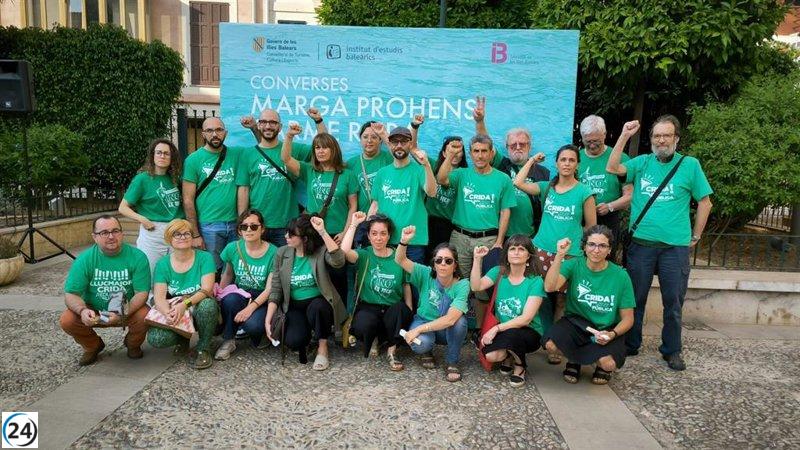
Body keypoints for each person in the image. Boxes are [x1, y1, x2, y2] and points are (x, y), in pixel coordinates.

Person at [606, 117, 713, 371]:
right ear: (651, 139)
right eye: (656, 136)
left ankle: (672, 350)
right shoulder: (642, 163)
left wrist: (695, 236)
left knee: (673, 302)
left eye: (666, 136)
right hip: (642, 244)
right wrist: (624, 135)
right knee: (635, 299)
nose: (661, 140)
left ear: (676, 138)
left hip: (674, 248)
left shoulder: (689, 165)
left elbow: (705, 202)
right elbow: (613, 168)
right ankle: (631, 343)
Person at [514, 144, 597, 363]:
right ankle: (545, 336)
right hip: (541, 250)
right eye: (563, 160)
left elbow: (591, 227)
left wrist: (584, 252)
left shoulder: (584, 192)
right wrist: (531, 161)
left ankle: (556, 344)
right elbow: (518, 182)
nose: (567, 164)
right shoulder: (547, 187)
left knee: (561, 300)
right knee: (541, 296)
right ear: (557, 163)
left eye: (571, 160)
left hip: (570, 255)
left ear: (577, 164)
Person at [436, 134, 517, 324]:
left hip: (488, 239)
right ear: (470, 154)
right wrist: (450, 156)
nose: (480, 156)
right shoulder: (462, 174)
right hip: (459, 237)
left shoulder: (502, 179)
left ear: (491, 153)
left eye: (483, 151)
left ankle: (480, 331)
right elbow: (441, 179)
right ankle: (457, 326)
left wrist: (499, 241)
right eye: (475, 151)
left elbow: (505, 212)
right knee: (457, 284)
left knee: (482, 289)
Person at [543, 226, 635, 384]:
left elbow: (628, 319)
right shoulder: (574, 264)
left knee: (608, 364)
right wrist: (559, 255)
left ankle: (587, 359)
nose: (596, 250)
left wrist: (612, 334)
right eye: (591, 244)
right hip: (576, 323)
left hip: (605, 328)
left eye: (602, 246)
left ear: (609, 250)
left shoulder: (621, 275)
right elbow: (549, 287)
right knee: (551, 345)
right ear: (584, 247)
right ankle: (575, 360)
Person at [281, 123, 358, 304]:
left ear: (334, 150)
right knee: (317, 276)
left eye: (325, 147)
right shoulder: (309, 170)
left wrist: (346, 233)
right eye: (317, 148)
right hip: (313, 235)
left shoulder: (347, 174)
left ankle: (339, 321)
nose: (320, 151)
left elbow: (353, 207)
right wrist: (290, 136)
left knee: (339, 278)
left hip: (337, 236)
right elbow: (285, 158)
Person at [61, 215, 151, 365]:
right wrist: (82, 311)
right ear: (94, 237)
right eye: (104, 233)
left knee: (145, 315)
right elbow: (71, 294)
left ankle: (132, 344)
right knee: (67, 320)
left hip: (125, 309)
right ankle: (93, 346)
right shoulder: (84, 259)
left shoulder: (138, 257)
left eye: (115, 231)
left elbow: (142, 293)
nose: (111, 236)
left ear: (122, 233)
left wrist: (122, 312)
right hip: (94, 311)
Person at [265, 214, 346, 370]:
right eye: (287, 232)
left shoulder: (320, 251)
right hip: (294, 306)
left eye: (292, 234)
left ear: (305, 238)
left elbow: (338, 261)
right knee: (294, 341)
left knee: (318, 307)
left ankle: (323, 347)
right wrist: (268, 318)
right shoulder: (282, 253)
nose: (286, 236)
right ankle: (308, 338)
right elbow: (276, 287)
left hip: (318, 304)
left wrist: (322, 231)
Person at [236, 108, 324, 246]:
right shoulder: (247, 154)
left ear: (280, 126)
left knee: (286, 265)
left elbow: (324, 145)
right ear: (258, 125)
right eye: (263, 122)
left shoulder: (293, 149)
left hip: (287, 226)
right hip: (257, 226)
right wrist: (242, 223)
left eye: (273, 122)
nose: (268, 126)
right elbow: (244, 190)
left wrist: (318, 121)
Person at [396, 225, 470, 382]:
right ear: (434, 263)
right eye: (439, 260)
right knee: (421, 344)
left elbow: (450, 319)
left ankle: (452, 361)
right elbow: (400, 259)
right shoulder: (424, 273)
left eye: (448, 261)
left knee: (460, 322)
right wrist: (404, 241)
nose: (443, 264)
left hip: (446, 328)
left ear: (455, 265)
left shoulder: (462, 285)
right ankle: (427, 351)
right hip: (423, 319)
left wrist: (418, 330)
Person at [470, 235, 546, 387]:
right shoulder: (499, 272)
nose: (516, 252)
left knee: (513, 335)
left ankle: (520, 365)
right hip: (504, 329)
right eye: (512, 249)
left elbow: (525, 319)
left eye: (521, 249)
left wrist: (496, 329)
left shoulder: (535, 281)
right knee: (492, 355)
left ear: (528, 255)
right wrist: (477, 259)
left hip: (529, 331)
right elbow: (475, 286)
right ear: (506, 254)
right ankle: (509, 355)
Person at [341, 212, 413, 369]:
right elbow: (344, 252)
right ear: (368, 235)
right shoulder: (364, 254)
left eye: (383, 233)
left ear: (389, 236)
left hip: (392, 309)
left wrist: (409, 311)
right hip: (369, 306)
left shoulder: (398, 257)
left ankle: (392, 351)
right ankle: (374, 338)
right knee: (362, 324)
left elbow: (406, 285)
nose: (378, 238)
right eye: (374, 233)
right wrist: (353, 224)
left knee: (400, 310)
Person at [473, 96, 551, 238]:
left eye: (522, 144)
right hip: (500, 235)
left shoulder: (544, 172)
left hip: (531, 236)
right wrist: (479, 121)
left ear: (530, 146)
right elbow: (485, 142)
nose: (518, 147)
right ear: (507, 147)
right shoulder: (500, 164)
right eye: (513, 145)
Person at [146, 219, 218, 370]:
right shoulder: (163, 264)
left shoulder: (205, 258)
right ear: (169, 238)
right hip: (174, 308)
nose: (182, 237)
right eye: (177, 234)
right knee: (157, 339)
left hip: (196, 305)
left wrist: (184, 305)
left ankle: (203, 347)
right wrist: (167, 313)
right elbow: (158, 297)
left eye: (187, 233)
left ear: (192, 237)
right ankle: (182, 338)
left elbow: (206, 290)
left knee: (208, 305)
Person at [367, 126, 437, 263]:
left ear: (410, 144)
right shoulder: (382, 173)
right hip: (386, 240)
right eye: (395, 142)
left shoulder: (419, 170)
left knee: (414, 282)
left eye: (403, 142)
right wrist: (366, 232)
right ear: (390, 144)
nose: (399, 146)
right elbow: (375, 205)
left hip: (413, 241)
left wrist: (427, 165)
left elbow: (432, 192)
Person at [215, 209, 277, 360]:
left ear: (262, 229)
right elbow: (228, 274)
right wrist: (219, 299)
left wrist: (251, 308)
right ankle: (229, 340)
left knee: (253, 326)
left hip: (262, 297)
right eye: (244, 227)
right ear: (239, 230)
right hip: (241, 293)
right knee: (229, 300)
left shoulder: (274, 252)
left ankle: (260, 335)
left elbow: (270, 288)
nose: (249, 229)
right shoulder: (233, 248)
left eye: (254, 226)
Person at [182, 117, 241, 274]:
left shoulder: (236, 155)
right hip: (209, 226)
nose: (215, 134)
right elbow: (187, 200)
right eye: (209, 130)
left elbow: (262, 148)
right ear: (203, 134)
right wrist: (194, 234)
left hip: (236, 224)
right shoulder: (193, 160)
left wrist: (254, 127)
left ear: (225, 133)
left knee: (235, 271)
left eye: (219, 130)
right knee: (212, 271)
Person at [118, 138, 184, 274]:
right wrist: (143, 219)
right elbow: (123, 207)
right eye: (158, 152)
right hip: (153, 230)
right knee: (151, 271)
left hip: (177, 230)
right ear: (152, 155)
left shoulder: (176, 179)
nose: (162, 156)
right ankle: (151, 296)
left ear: (172, 158)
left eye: (166, 153)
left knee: (175, 271)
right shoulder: (142, 179)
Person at [578, 115, 632, 258]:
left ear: (605, 135)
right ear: (582, 137)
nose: (592, 145)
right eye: (588, 141)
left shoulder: (620, 157)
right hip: (580, 217)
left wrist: (610, 206)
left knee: (606, 259)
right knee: (580, 257)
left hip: (609, 218)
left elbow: (630, 195)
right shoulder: (575, 158)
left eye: (596, 141)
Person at [345, 121, 393, 244]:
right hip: (361, 222)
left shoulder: (388, 158)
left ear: (380, 140)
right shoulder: (351, 164)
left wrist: (384, 134)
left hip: (385, 221)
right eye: (365, 137)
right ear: (360, 139)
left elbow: (400, 155)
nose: (369, 140)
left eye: (374, 137)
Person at [425, 136, 467, 261]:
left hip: (450, 224)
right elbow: (414, 149)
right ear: (443, 153)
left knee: (444, 258)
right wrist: (415, 126)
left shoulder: (464, 174)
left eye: (458, 150)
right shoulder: (433, 165)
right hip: (429, 221)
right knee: (428, 257)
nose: (455, 153)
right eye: (450, 149)